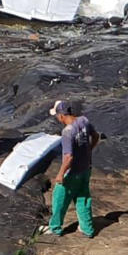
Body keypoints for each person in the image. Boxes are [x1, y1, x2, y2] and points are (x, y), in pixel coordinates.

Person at [39, 101, 99, 239]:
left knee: (59, 199)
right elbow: (95, 136)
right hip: (86, 168)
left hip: (72, 173)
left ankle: (55, 228)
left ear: (61, 116)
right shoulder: (84, 121)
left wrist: (60, 174)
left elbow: (68, 157)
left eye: (57, 116)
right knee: (83, 198)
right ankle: (87, 229)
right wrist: (88, 150)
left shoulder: (67, 132)